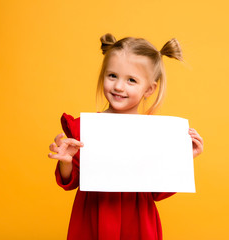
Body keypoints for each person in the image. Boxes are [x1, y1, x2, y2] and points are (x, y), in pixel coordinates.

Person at [48, 33, 204, 240]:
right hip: (93, 216)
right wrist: (65, 162)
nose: (119, 86)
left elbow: (157, 193)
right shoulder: (84, 128)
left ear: (149, 89)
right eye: (112, 75)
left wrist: (183, 158)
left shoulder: (157, 134)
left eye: (131, 80)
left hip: (137, 219)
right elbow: (70, 181)